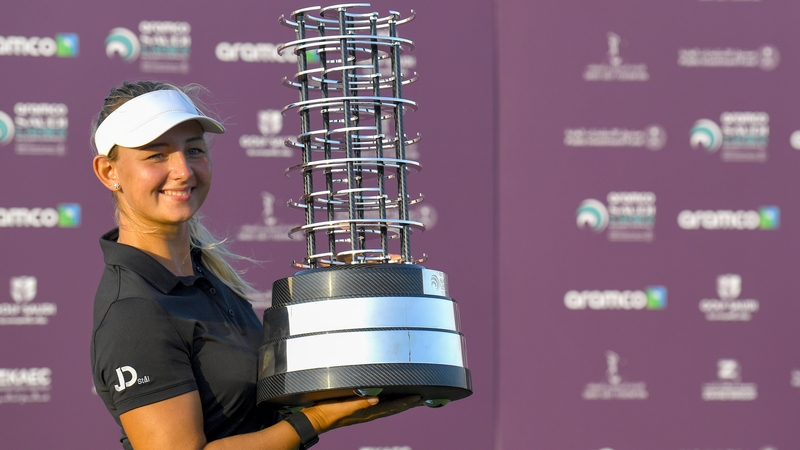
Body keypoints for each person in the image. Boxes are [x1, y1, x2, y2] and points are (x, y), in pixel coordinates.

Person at [90, 80, 422, 450]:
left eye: (194, 150)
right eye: (157, 155)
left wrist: (350, 292)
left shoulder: (203, 276)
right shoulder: (133, 311)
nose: (183, 170)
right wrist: (315, 421)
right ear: (109, 172)